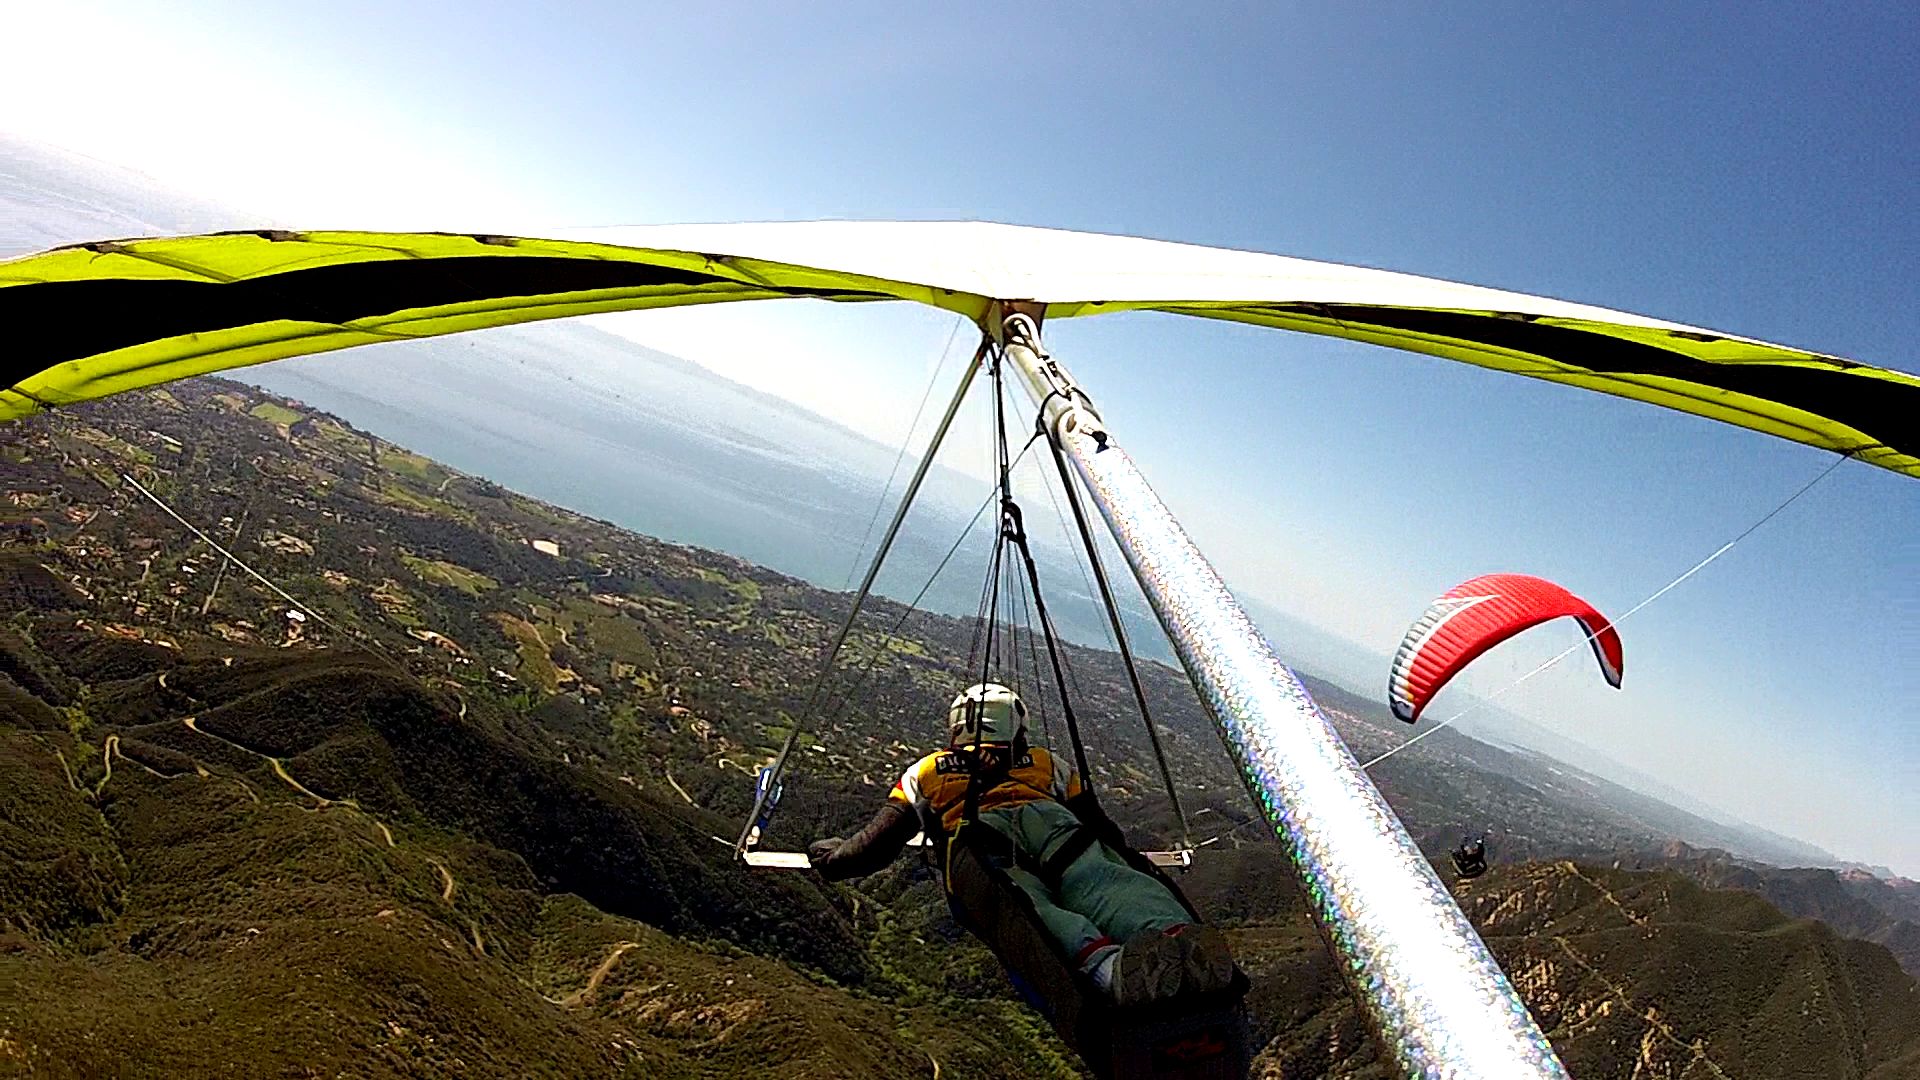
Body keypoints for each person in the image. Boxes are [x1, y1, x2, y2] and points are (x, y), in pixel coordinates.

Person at [808, 682, 1233, 1006]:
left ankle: (1110, 970)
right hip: (1054, 824)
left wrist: (829, 857)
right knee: (1103, 878)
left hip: (983, 838)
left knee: (1028, 905)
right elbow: (1102, 829)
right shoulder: (1047, 763)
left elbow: (873, 847)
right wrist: (1128, 858)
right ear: (1018, 727)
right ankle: (1173, 933)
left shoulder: (928, 772)